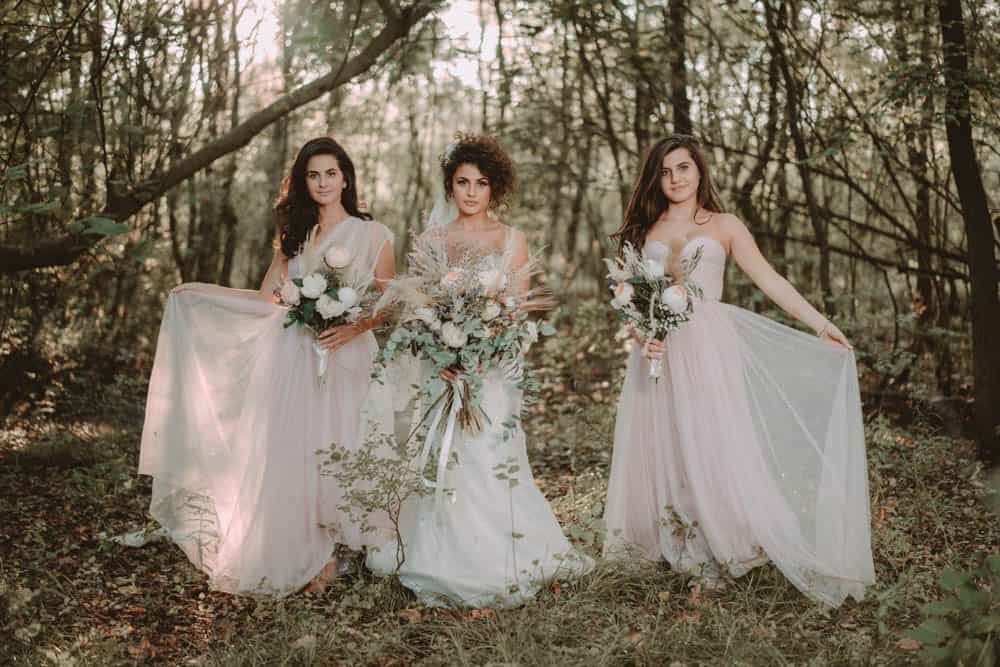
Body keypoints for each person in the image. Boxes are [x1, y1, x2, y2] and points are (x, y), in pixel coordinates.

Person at [603, 134, 874, 607]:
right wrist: (642, 332)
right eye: (665, 172)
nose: (675, 179)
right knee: (662, 440)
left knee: (709, 441)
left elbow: (768, 278)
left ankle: (715, 552)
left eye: (683, 168)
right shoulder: (648, 229)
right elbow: (634, 295)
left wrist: (821, 324)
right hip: (658, 349)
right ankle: (671, 538)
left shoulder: (725, 225)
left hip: (707, 347)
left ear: (700, 170)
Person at [138, 137, 395, 596]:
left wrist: (354, 329)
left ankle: (344, 545)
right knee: (301, 450)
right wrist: (204, 292)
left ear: (346, 178)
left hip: (348, 355)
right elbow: (265, 299)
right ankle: (317, 553)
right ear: (302, 181)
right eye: (313, 175)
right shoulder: (295, 236)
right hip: (297, 357)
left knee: (345, 443)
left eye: (331, 174)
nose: (322, 183)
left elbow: (387, 300)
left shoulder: (372, 234)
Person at [365, 134, 592, 607]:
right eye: (462, 182)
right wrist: (444, 358)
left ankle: (497, 553)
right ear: (450, 187)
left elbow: (515, 310)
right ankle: (442, 554)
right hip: (441, 371)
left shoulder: (511, 240)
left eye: (480, 183)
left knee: (487, 453)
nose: (471, 191)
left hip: (490, 370)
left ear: (495, 187)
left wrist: (477, 357)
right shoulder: (432, 240)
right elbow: (418, 308)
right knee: (444, 460)